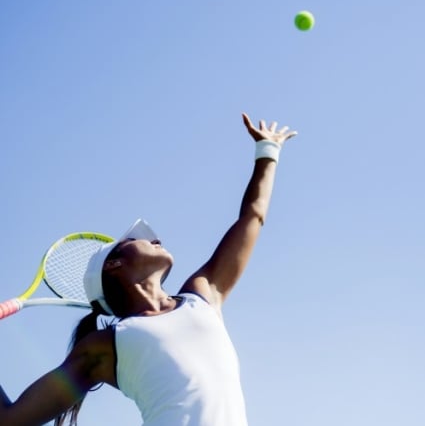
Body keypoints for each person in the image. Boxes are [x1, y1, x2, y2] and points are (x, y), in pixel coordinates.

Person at [0, 112, 297, 426]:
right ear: (114, 264)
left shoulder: (203, 294)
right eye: (135, 238)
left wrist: (267, 152)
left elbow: (252, 217)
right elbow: (9, 419)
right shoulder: (105, 346)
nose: (154, 238)